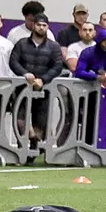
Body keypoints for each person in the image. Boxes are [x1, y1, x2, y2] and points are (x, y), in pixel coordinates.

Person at [11, 11, 66, 150]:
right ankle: (22, 148)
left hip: (44, 90)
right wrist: (24, 74)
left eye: (44, 25)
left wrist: (43, 79)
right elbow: (13, 61)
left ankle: (34, 148)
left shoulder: (54, 46)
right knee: (19, 120)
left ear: (47, 27)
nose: (41, 27)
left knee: (40, 122)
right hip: (22, 88)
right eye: (39, 25)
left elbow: (58, 66)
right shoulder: (21, 44)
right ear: (33, 26)